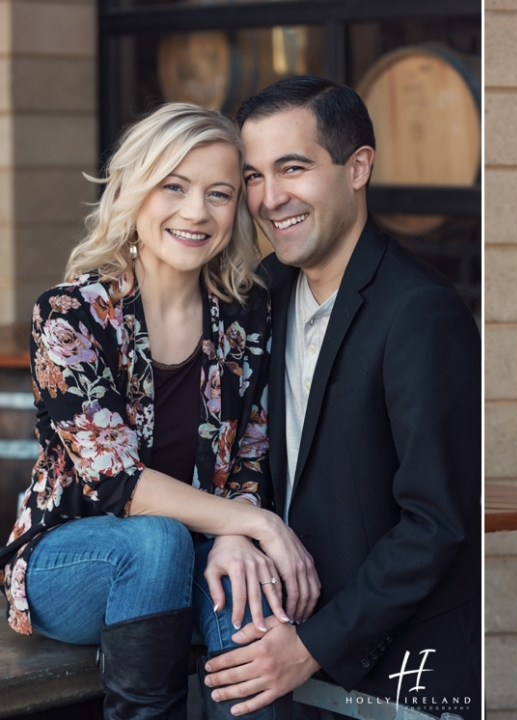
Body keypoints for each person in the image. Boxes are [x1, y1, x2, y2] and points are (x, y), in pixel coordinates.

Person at [0, 103, 319, 720]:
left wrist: (237, 532)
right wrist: (256, 524)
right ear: (134, 189)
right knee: (155, 540)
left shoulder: (246, 315)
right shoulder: (72, 316)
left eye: (219, 193)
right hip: (68, 562)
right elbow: (118, 482)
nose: (196, 211)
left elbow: (252, 458)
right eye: (174, 185)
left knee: (251, 600)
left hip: (199, 549)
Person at [199, 77, 481, 720]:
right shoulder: (260, 295)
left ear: (358, 167)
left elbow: (435, 524)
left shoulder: (420, 311)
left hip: (400, 675)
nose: (271, 200)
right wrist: (234, 525)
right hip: (281, 652)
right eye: (253, 176)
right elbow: (232, 449)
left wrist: (311, 646)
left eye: (292, 168)